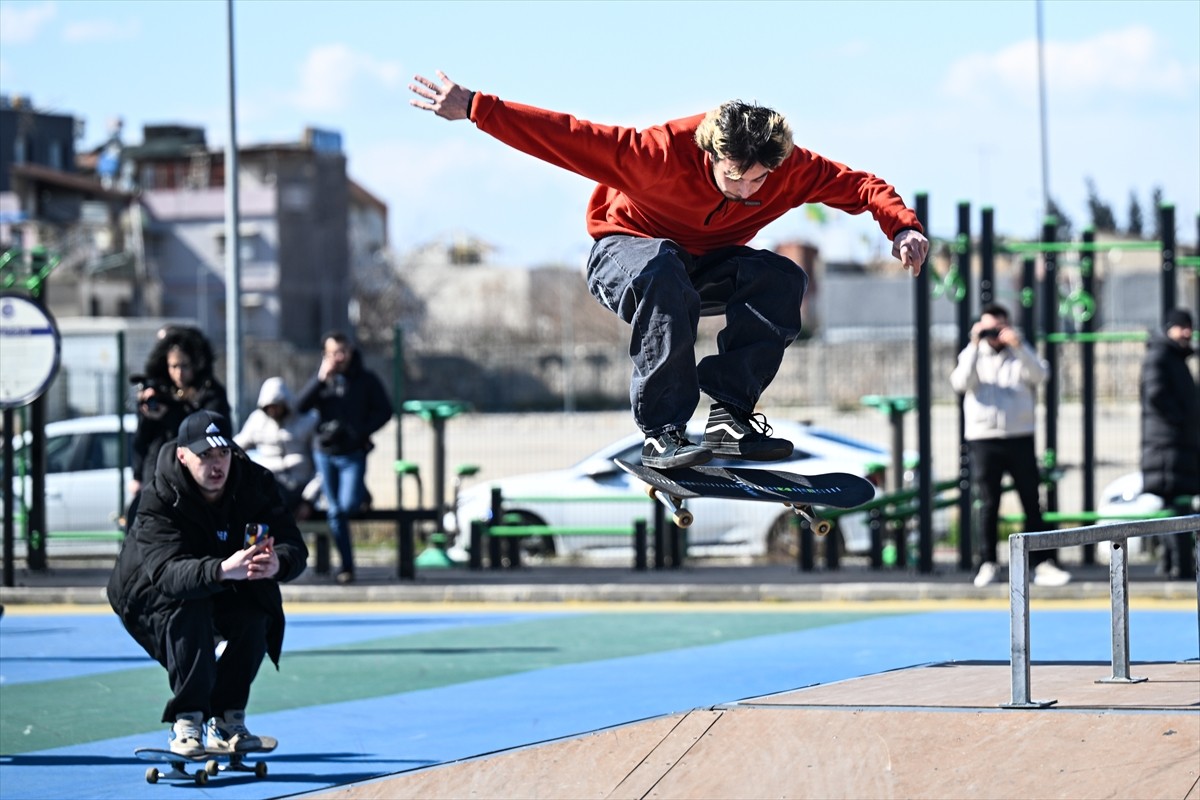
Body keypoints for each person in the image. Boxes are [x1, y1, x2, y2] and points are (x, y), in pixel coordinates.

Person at [409, 72, 929, 469]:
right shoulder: (655, 154)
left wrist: (901, 226)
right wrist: (477, 108)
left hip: (704, 267)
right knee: (662, 266)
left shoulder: (789, 170)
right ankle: (661, 429)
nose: (748, 192)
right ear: (712, 153)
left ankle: (729, 415)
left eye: (759, 181)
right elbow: (565, 136)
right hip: (625, 255)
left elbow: (859, 185)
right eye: (735, 178)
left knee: (783, 276)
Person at [107, 410, 308, 756]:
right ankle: (188, 721)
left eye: (223, 453)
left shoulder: (254, 484)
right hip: (147, 594)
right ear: (182, 455)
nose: (216, 465)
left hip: (221, 579)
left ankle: (228, 718)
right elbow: (167, 573)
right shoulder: (158, 497)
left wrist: (279, 562)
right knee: (191, 611)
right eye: (204, 455)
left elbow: (293, 544)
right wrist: (220, 569)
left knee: (257, 611)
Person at [950, 303, 1071, 588]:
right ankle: (988, 562)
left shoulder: (1020, 353)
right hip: (983, 438)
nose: (994, 334)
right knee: (989, 504)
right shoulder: (973, 354)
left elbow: (1041, 375)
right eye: (989, 328)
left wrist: (1019, 346)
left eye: (999, 328)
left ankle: (1040, 563)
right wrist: (974, 343)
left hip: (1019, 436)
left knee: (1031, 501)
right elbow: (959, 382)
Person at [296, 331, 392, 584]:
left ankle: (361, 493)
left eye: (343, 352)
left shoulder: (365, 380)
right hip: (325, 452)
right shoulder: (322, 381)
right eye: (333, 353)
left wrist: (361, 430)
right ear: (325, 355)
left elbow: (385, 410)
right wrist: (320, 380)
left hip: (352, 454)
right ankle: (347, 567)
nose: (338, 358)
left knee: (348, 505)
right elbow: (300, 406)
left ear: (350, 352)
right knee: (335, 511)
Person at [130, 326, 230, 502]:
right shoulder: (160, 392)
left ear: (196, 364)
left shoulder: (210, 393)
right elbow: (141, 440)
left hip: (194, 476)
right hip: (156, 472)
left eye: (185, 365)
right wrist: (148, 414)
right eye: (174, 366)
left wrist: (170, 415)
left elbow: (209, 431)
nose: (179, 373)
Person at [1139, 308, 1199, 580]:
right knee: (1175, 506)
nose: (1187, 332)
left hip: (1175, 446)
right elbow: (1156, 395)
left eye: (1189, 326)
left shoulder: (1173, 357)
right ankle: (1179, 568)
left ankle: (1172, 565)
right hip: (1167, 448)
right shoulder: (1161, 356)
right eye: (1181, 326)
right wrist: (1183, 421)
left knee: (1178, 506)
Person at [235, 377, 322, 520]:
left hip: (300, 488)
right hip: (269, 484)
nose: (273, 410)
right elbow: (236, 447)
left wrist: (309, 500)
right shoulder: (257, 421)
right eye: (269, 406)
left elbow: (322, 466)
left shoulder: (307, 421)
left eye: (277, 405)